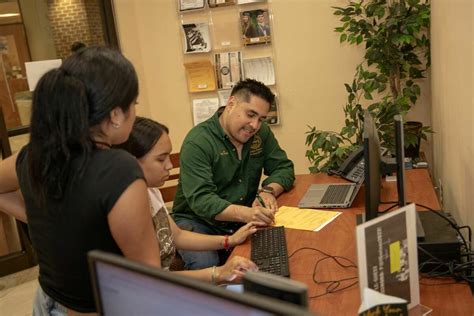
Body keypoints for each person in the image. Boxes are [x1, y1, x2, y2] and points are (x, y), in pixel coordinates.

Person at [0, 47, 157, 315]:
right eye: (134, 103)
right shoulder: (119, 170)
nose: (135, 111)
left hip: (46, 300)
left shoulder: (33, 155)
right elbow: (147, 277)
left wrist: (42, 219)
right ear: (116, 115)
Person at [172, 79, 295, 270]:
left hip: (240, 219)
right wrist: (247, 213)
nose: (255, 125)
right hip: (198, 221)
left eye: (261, 118)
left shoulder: (261, 134)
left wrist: (268, 191)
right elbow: (202, 200)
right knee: (208, 265)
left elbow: (284, 168)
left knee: (282, 249)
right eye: (250, 114)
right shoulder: (198, 142)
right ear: (231, 104)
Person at [116, 117, 259, 276]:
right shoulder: (125, 209)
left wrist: (229, 240)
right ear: (132, 162)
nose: (170, 165)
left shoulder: (151, 191)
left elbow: (178, 236)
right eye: (161, 159)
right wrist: (218, 274)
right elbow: (152, 280)